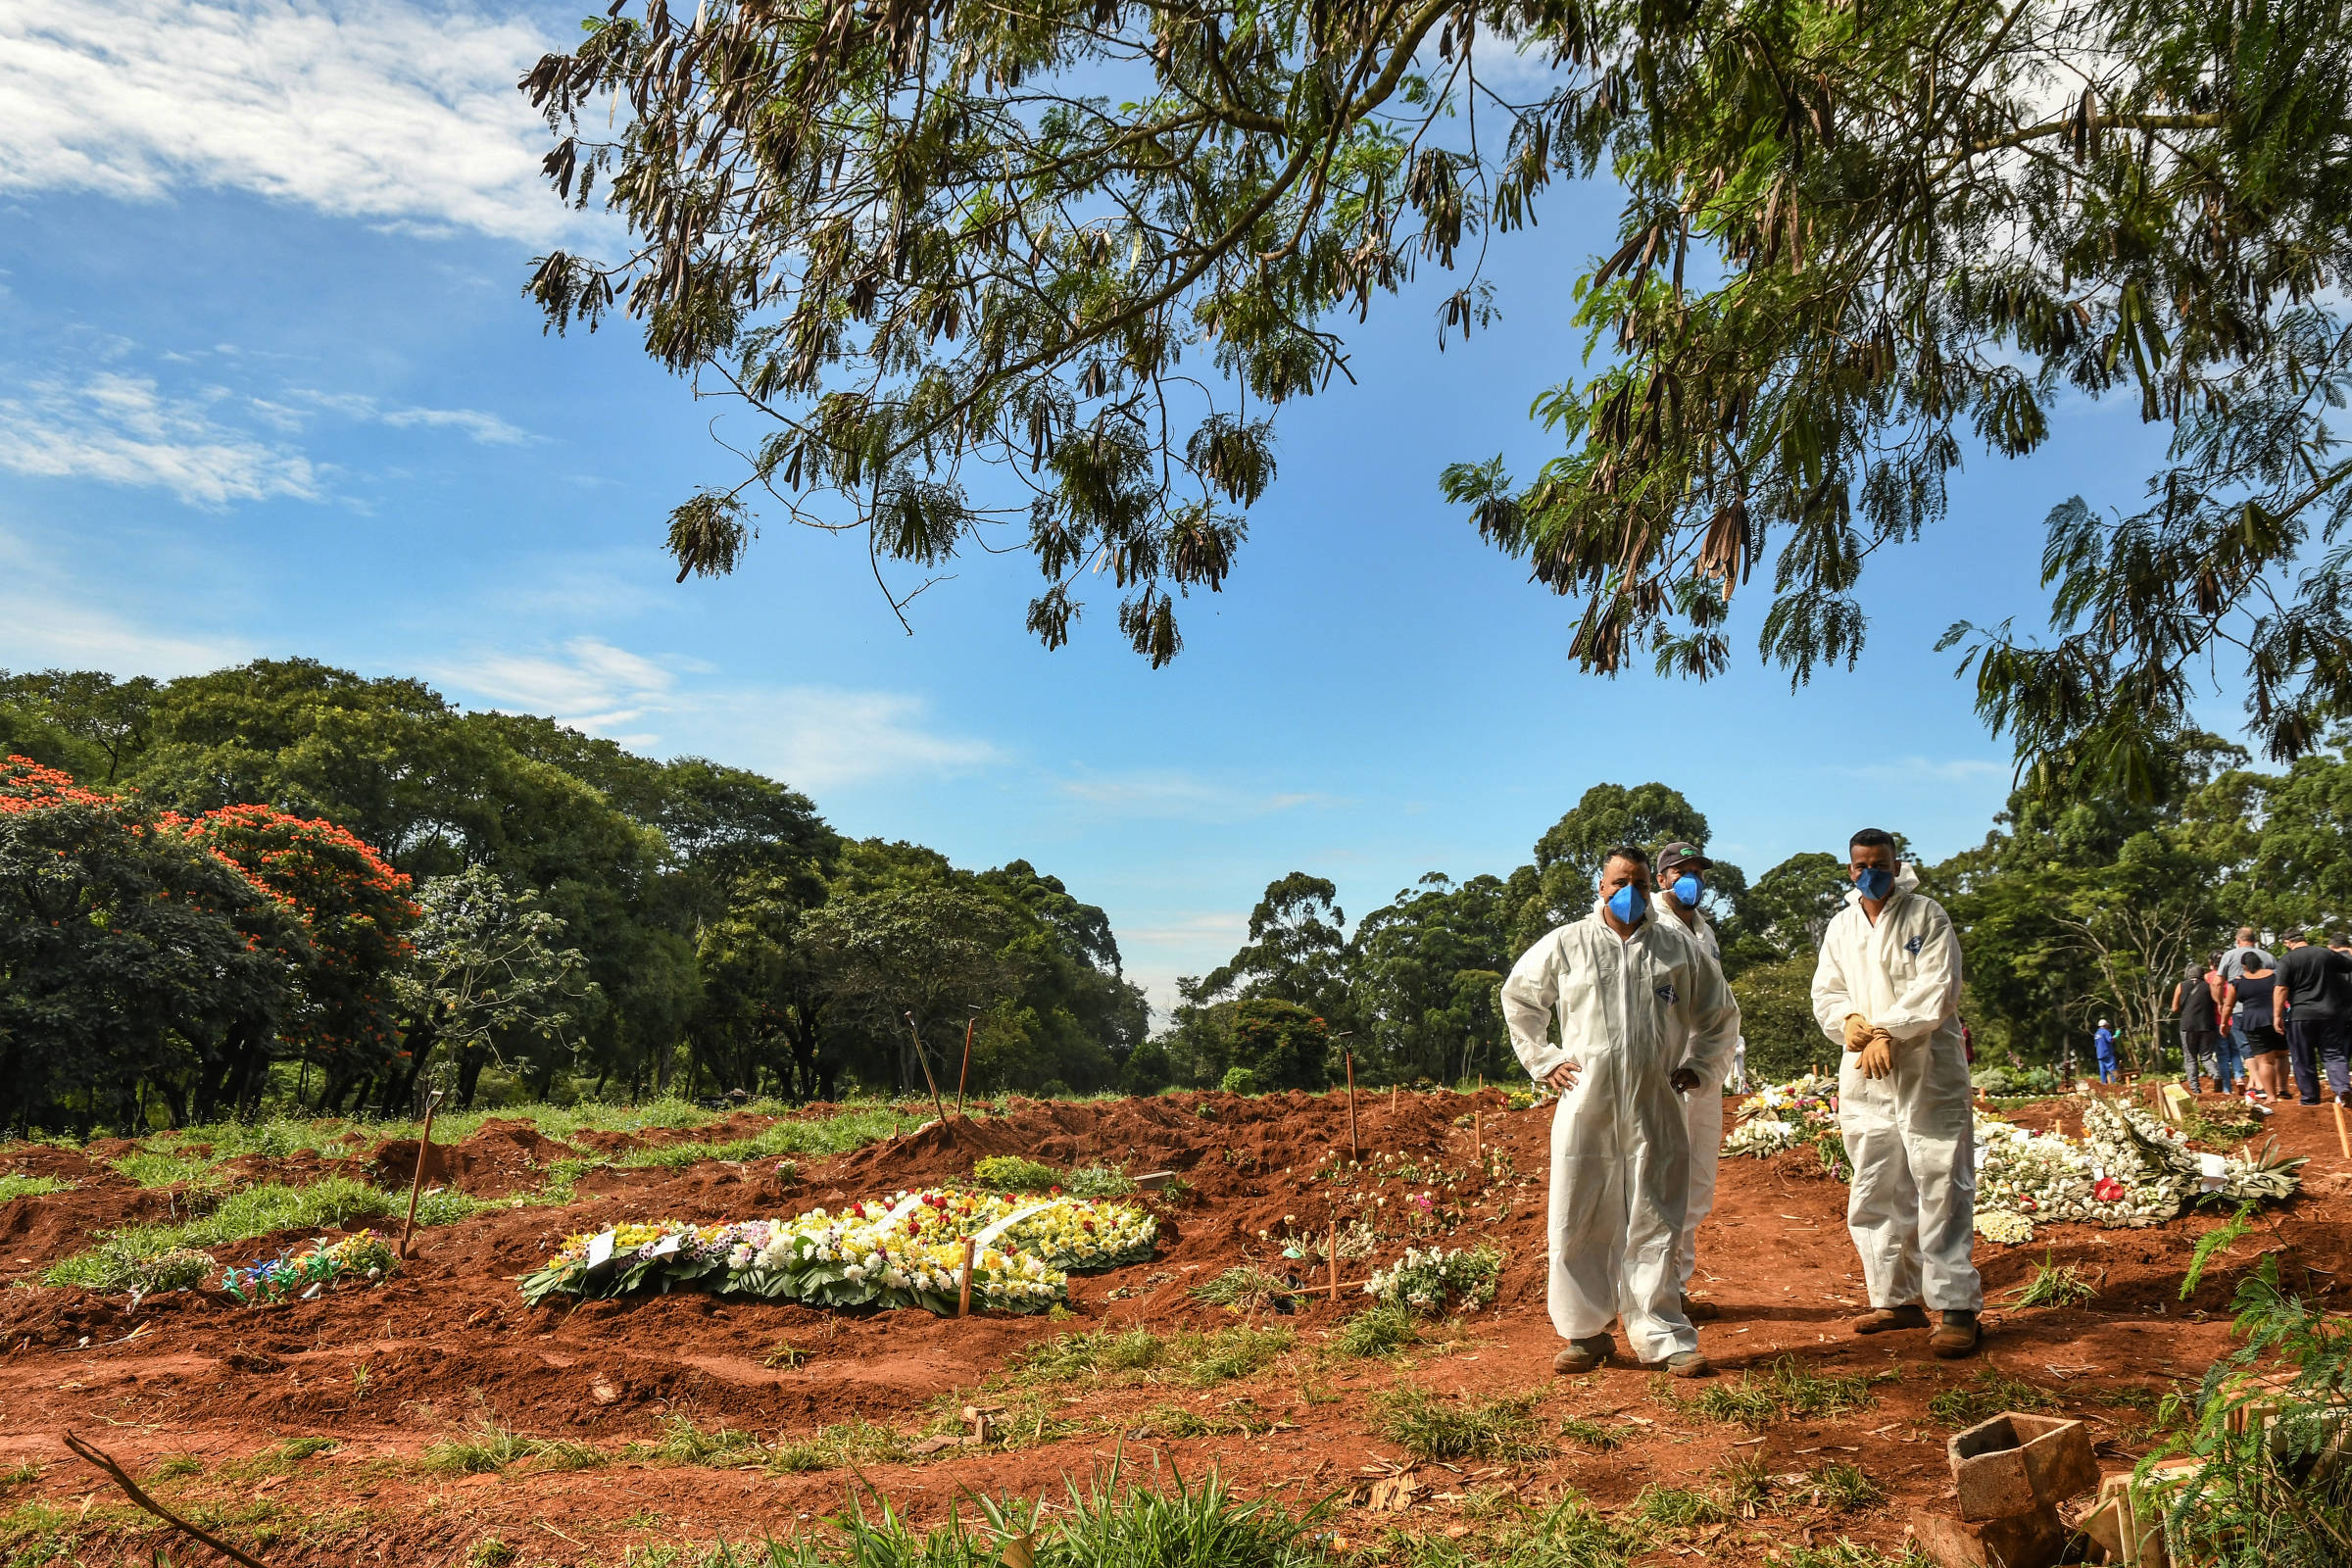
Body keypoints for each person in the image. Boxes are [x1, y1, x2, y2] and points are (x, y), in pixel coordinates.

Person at [1501, 842, 1741, 1379]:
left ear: (1647, 887)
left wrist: (1699, 1066)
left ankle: (1662, 1334)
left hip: (1656, 1102)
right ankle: (1586, 1333)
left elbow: (1720, 1015)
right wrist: (1544, 1061)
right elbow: (1519, 998)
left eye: (1637, 882)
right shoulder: (1568, 944)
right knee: (1578, 1214)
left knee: (1656, 1215)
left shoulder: (1677, 950)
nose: (1628, 892)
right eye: (1618, 883)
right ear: (1601, 887)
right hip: (1586, 1102)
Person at [1811, 828, 1983, 1358]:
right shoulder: (1841, 926)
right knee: (1876, 1180)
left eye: (1880, 863)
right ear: (1850, 869)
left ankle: (1955, 1307)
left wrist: (1887, 1030)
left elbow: (1938, 989)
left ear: (1896, 863)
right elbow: (1827, 991)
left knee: (1940, 1179)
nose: (1872, 873)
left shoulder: (1926, 915)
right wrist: (1852, 1021)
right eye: (1862, 865)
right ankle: (1896, 1298)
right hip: (1865, 1074)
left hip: (1928, 1067)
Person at [1651, 841, 1742, 1324]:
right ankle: (1647, 1290)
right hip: (1661, 1070)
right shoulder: (1650, 927)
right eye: (1680, 872)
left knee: (1693, 1181)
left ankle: (1676, 1286)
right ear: (1662, 879)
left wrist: (1708, 1064)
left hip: (1699, 1072)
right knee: (1655, 1179)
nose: (1692, 880)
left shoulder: (1704, 931)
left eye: (1698, 872)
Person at [2275, 930, 2352, 1105]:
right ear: (2304, 939)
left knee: (2302, 1057)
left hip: (2301, 1014)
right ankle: (2342, 1088)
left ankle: (2310, 1098)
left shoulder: (2288, 959)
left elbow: (2281, 988)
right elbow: (2348, 966)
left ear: (2287, 943)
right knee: (2333, 1053)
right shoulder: (2326, 954)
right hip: (2330, 1013)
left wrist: (2277, 1015)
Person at [2224, 954, 2287, 1101]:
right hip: (2276, 1018)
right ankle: (2283, 1090)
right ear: (2261, 963)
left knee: (2265, 1061)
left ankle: (2271, 1096)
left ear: (2244, 966)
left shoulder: (2238, 982)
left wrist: (2224, 1022)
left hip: (2253, 1022)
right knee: (2282, 1056)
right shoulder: (2276, 976)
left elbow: (2228, 1005)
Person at [2172, 961, 2221, 1092]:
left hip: (2188, 1026)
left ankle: (2195, 1089)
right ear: (2202, 974)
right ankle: (2215, 1074)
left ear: (2188, 974)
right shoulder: (2208, 986)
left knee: (2191, 1058)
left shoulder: (2181, 985)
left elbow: (2174, 1008)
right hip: (2207, 1025)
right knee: (2206, 1056)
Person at [2092, 1019, 2119, 1084]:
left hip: (2100, 1054)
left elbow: (2096, 1045)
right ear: (2106, 1025)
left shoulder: (2096, 1034)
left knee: (2102, 1070)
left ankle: (2103, 1084)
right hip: (2107, 1054)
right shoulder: (2105, 1032)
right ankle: (2114, 1083)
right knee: (2112, 1069)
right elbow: (2111, 1040)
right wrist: (2117, 1035)